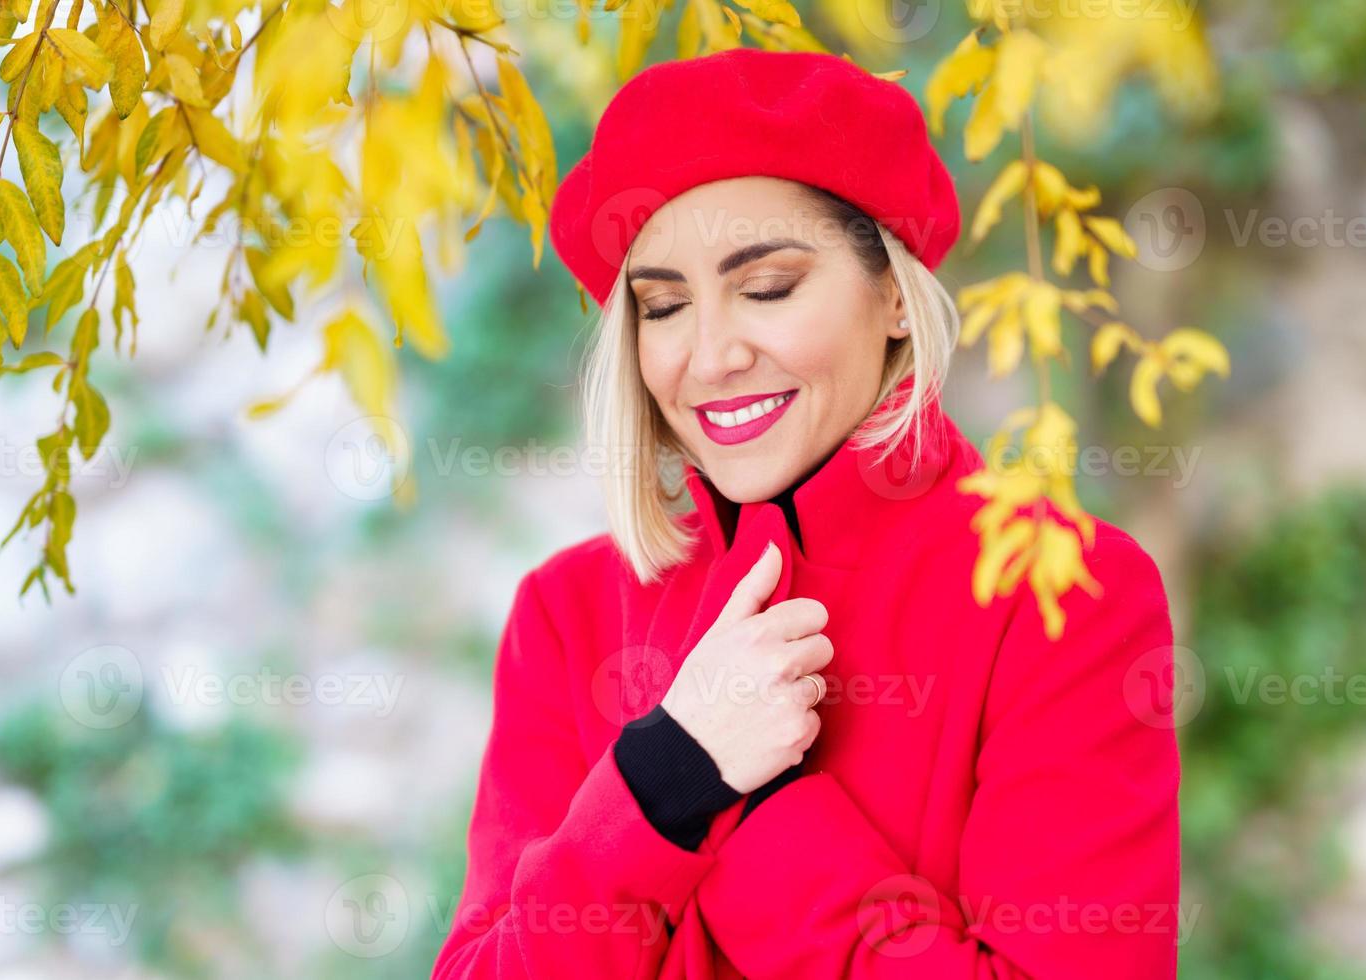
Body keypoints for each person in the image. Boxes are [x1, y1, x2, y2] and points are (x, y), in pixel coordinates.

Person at [430, 46, 1181, 980]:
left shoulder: (1059, 591)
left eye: (766, 288)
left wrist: (760, 813)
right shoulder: (566, 612)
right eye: (662, 308)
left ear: (893, 297)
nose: (709, 357)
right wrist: (666, 781)